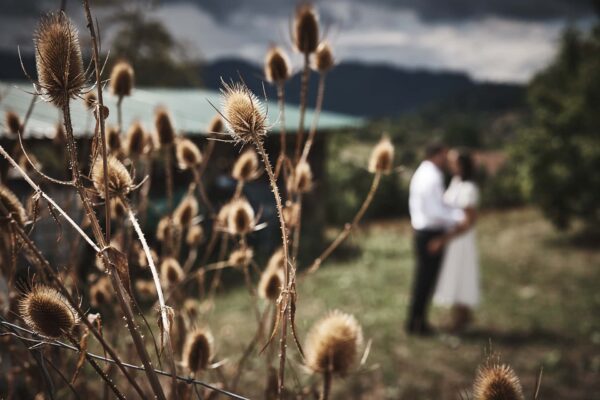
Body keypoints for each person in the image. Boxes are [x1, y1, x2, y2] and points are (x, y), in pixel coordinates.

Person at [406, 142, 470, 336]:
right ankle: (417, 323)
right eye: (444, 155)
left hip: (422, 230)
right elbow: (435, 211)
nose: (446, 160)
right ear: (437, 155)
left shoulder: (422, 172)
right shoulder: (432, 176)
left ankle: (415, 320)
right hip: (430, 232)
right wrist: (460, 217)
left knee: (423, 279)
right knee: (425, 280)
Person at [431, 150, 480, 333]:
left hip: (460, 240)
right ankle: (459, 317)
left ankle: (462, 319)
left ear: (462, 165)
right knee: (453, 276)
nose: (449, 164)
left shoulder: (469, 188)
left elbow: (469, 221)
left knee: (462, 276)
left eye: (453, 162)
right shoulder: (455, 182)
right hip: (453, 239)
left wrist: (444, 239)